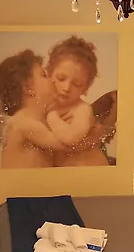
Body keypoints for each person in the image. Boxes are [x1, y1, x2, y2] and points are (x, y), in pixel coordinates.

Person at [0, 49, 69, 168]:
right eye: (44, 75)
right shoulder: (22, 122)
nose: (52, 80)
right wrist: (92, 136)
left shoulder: (35, 123)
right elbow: (68, 144)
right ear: (28, 87)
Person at [45, 36, 110, 166]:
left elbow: (71, 138)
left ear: (85, 88)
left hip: (90, 170)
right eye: (61, 78)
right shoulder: (45, 105)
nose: (66, 88)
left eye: (77, 84)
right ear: (49, 74)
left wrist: (51, 117)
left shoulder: (82, 109)